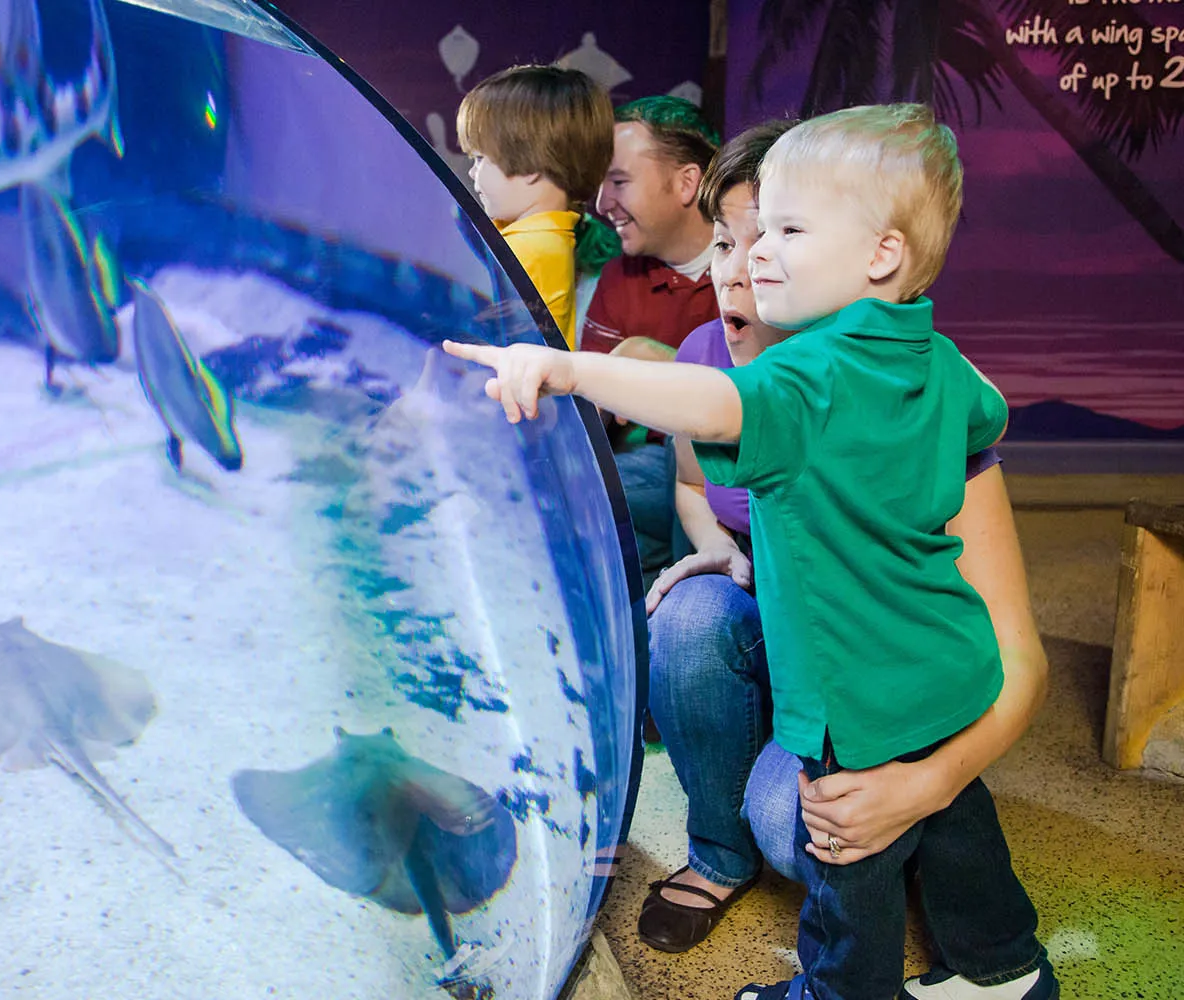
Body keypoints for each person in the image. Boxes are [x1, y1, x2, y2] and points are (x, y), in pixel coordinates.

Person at [443, 103, 1055, 1000]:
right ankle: (1005, 970)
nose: (758, 252)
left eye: (788, 230)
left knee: (850, 852)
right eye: (751, 231)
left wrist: (565, 368)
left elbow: (714, 404)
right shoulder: (937, 359)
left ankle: (839, 991)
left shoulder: (811, 376)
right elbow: (985, 410)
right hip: (941, 665)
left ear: (880, 254)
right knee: (961, 825)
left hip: (854, 687)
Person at [639, 121, 1050, 985]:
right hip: (774, 627)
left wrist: (924, 784)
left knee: (815, 824)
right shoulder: (702, 361)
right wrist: (717, 547)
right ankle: (716, 854)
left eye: (782, 235)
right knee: (687, 617)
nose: (744, 264)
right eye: (726, 241)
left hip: (859, 660)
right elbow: (689, 482)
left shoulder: (904, 384)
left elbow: (1015, 656)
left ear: (870, 258)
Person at [577, 96, 721, 588]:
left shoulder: (755, 272)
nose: (602, 203)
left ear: (687, 182)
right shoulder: (620, 277)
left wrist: (667, 368)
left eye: (618, 182)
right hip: (639, 475)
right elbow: (591, 414)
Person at [455, 65, 614, 350]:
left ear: (530, 167)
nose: (472, 173)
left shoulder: (533, 248)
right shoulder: (545, 236)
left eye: (480, 158)